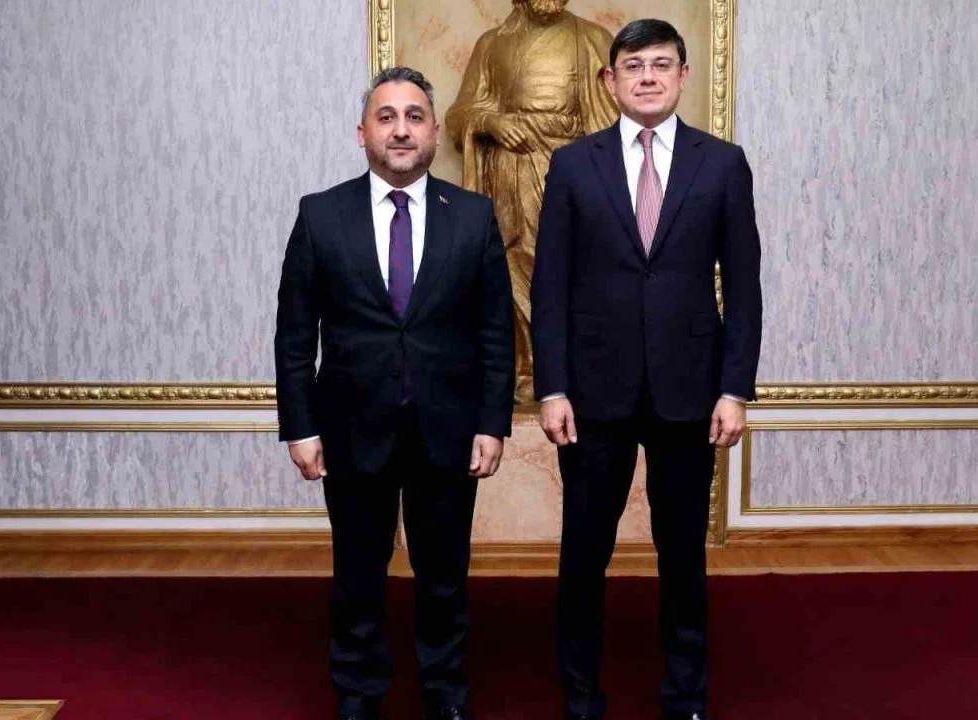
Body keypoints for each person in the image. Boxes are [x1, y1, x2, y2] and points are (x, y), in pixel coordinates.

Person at [530, 19, 762, 720]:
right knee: (583, 553)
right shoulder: (574, 164)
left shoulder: (723, 164)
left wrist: (734, 388)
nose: (649, 77)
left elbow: (744, 287)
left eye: (662, 64)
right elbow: (549, 285)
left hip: (690, 392)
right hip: (592, 393)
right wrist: (551, 386)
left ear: (684, 75)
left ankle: (685, 695)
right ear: (611, 81)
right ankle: (580, 694)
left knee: (683, 554)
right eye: (633, 66)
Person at [274, 66, 515, 720]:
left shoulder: (473, 217)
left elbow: (496, 331)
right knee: (357, 575)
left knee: (445, 576)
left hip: (448, 429)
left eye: (414, 117)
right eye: (386, 117)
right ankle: (358, 695)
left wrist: (492, 422)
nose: (401, 130)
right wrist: (301, 426)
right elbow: (294, 334)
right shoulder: (321, 215)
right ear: (363, 133)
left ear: (434, 132)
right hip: (352, 430)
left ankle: (445, 694)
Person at [445, 0, 617, 404]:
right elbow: (457, 117)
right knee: (511, 266)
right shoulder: (492, 45)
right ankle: (526, 370)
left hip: (572, 177)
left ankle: (568, 371)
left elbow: (617, 125)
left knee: (573, 268)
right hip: (510, 175)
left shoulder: (594, 40)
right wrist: (490, 121)